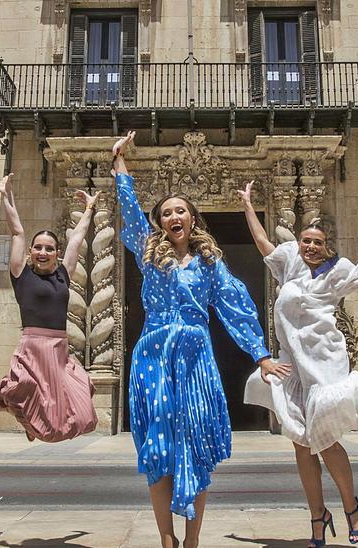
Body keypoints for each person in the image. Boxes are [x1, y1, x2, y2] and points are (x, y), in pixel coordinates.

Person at [112, 131, 288, 548]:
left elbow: (235, 306)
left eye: (181, 211)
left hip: (194, 358)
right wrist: (119, 162)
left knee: (195, 443)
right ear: (161, 221)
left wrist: (261, 355)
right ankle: (167, 539)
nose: (174, 216)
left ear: (192, 219)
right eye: (167, 212)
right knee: (157, 448)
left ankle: (192, 541)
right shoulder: (147, 250)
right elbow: (130, 211)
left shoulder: (210, 263)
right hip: (154, 355)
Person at [237, 181, 358, 547]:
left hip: (324, 363)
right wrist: (249, 205)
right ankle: (317, 515)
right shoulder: (289, 266)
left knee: (325, 439)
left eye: (317, 242)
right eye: (306, 240)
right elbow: (264, 244)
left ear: (327, 246)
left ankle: (351, 507)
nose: (310, 246)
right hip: (292, 365)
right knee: (300, 441)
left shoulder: (338, 272)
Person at [0, 172, 99, 442]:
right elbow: (17, 230)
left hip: (58, 349)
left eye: (49, 248)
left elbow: (77, 239)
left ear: (56, 253)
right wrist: (5, 195)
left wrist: (90, 208)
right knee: (25, 388)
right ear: (31, 251)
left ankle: (28, 422)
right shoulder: (22, 274)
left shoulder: (63, 275)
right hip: (33, 345)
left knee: (82, 412)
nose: (43, 252)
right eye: (38, 248)